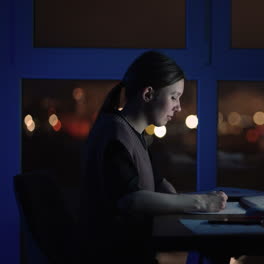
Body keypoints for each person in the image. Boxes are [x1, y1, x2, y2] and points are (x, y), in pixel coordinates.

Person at [78, 50, 228, 264]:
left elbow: (157, 183)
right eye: (174, 97)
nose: (178, 107)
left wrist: (184, 200)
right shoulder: (115, 134)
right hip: (115, 255)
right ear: (148, 94)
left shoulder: (133, 134)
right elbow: (130, 200)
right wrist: (199, 202)